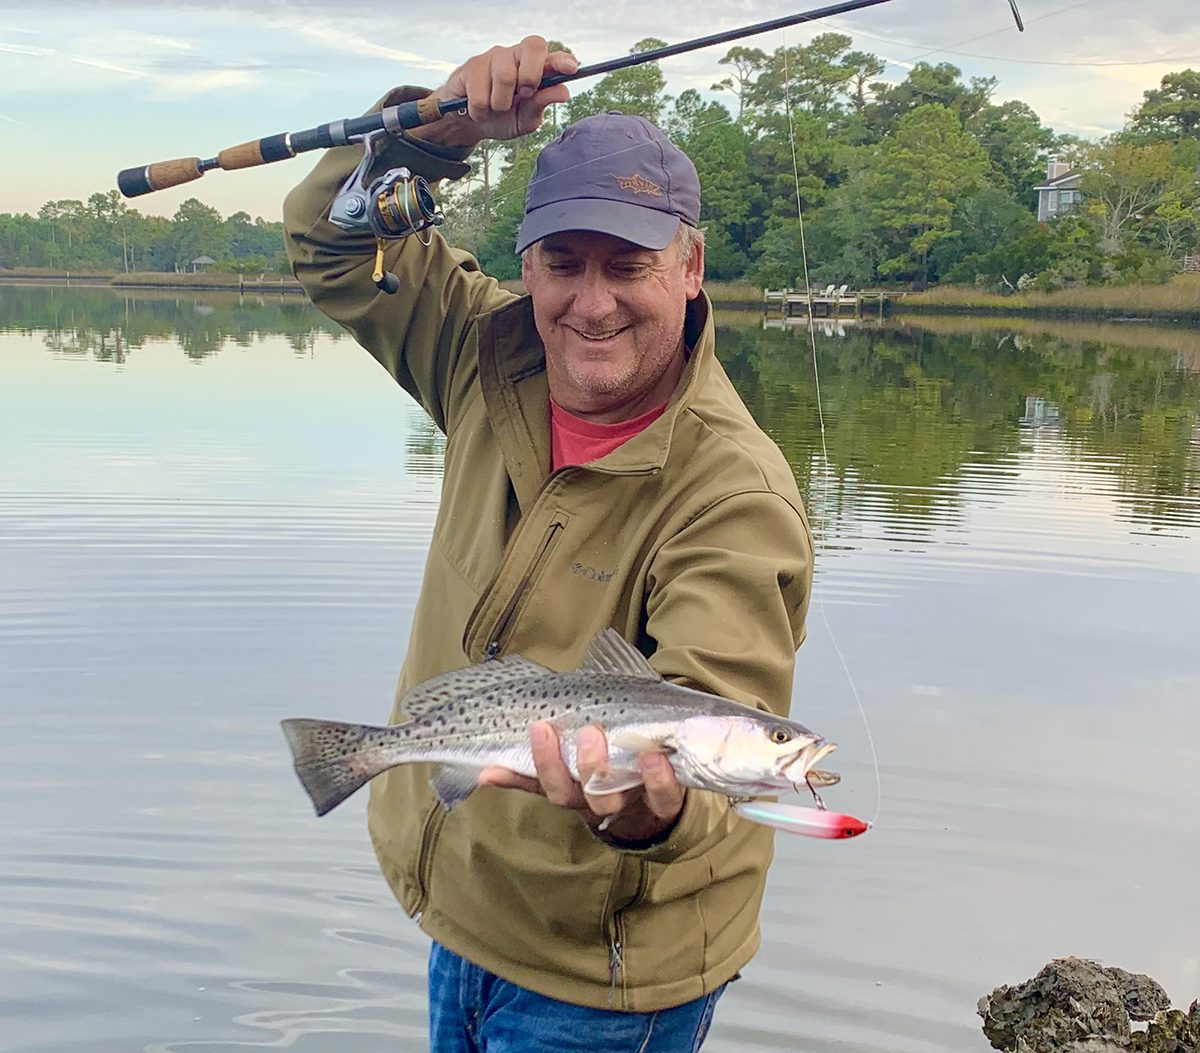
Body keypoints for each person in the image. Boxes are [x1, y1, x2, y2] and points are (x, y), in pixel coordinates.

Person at [283, 35, 814, 1053]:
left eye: (631, 266)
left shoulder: (735, 495)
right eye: (563, 264)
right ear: (525, 262)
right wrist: (436, 130)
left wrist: (646, 813)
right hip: (462, 916)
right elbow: (326, 242)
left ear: (691, 267)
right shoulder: (484, 352)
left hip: (605, 975)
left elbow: (724, 740)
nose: (592, 302)